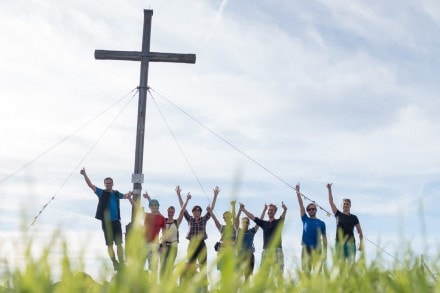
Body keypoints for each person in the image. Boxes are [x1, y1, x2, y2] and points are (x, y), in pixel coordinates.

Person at [80, 167, 131, 271]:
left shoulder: (116, 194)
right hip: (106, 222)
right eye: (106, 183)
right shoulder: (101, 192)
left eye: (110, 183)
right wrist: (85, 175)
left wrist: (131, 193)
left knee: (119, 243)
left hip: (116, 221)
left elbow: (125, 196)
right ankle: (114, 262)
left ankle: (121, 262)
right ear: (104, 184)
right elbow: (90, 185)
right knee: (110, 244)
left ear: (113, 184)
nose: (108, 184)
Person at [176, 185, 219, 290]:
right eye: (194, 210)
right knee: (190, 266)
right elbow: (182, 208)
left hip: (201, 244)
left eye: (198, 210)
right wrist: (179, 194)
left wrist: (215, 195)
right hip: (191, 244)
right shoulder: (189, 219)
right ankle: (189, 286)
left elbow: (211, 208)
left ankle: (205, 288)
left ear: (200, 212)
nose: (196, 211)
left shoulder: (204, 219)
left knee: (203, 266)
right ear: (192, 212)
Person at [144, 190, 191, 278]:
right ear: (167, 212)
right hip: (163, 246)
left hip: (173, 246)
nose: (170, 213)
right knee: (162, 265)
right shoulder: (163, 219)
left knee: (170, 266)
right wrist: (148, 198)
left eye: (172, 212)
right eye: (169, 212)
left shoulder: (177, 222)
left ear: (174, 213)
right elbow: (155, 209)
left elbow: (182, 210)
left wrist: (186, 200)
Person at [240, 201, 287, 285]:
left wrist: (285, 209)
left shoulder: (279, 222)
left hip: (277, 250)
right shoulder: (264, 223)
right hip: (266, 251)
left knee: (279, 274)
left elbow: (283, 216)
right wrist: (243, 210)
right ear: (267, 212)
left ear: (275, 211)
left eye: (272, 210)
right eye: (269, 210)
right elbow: (253, 217)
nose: (270, 211)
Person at [327, 183, 364, 262]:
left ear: (350, 206)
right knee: (340, 265)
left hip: (350, 244)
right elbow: (331, 202)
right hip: (339, 243)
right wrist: (329, 189)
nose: (346, 205)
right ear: (341, 205)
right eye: (344, 204)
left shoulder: (354, 217)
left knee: (351, 266)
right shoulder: (338, 214)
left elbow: (360, 232)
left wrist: (361, 244)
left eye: (347, 204)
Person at [295, 183, 327, 273]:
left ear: (316, 210)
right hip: (306, 249)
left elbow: (324, 239)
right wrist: (298, 193)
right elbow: (301, 205)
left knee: (317, 273)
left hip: (318, 249)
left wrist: (325, 252)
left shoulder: (321, 223)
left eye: (313, 209)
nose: (312, 210)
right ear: (307, 211)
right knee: (306, 272)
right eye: (309, 209)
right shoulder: (305, 219)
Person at [235, 203, 265, 284]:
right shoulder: (239, 231)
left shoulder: (252, 231)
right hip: (240, 255)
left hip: (250, 255)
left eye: (246, 222)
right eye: (243, 222)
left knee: (247, 278)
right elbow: (236, 219)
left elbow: (260, 222)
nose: (245, 223)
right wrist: (240, 210)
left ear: (248, 223)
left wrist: (264, 210)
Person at [207, 200, 237, 273]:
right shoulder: (222, 227)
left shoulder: (234, 226)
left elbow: (235, 218)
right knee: (222, 272)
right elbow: (215, 219)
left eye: (227, 216)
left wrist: (233, 206)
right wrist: (210, 211)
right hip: (221, 250)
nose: (225, 218)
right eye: (224, 217)